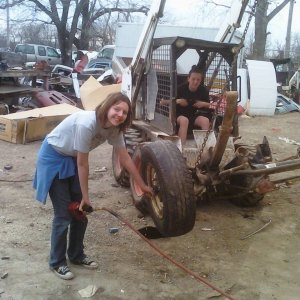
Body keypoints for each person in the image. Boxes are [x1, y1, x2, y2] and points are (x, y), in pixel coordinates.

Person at [33, 92, 153, 280]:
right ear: (107, 106)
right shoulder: (87, 123)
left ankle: (76, 255)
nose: (119, 114)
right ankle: (57, 262)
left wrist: (142, 184)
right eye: (116, 109)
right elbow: (83, 164)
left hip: (71, 157)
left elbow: (125, 158)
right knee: (64, 214)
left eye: (124, 112)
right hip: (54, 158)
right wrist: (85, 197)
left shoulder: (115, 129)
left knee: (80, 214)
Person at [160, 65, 212, 145]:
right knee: (184, 120)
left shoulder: (203, 90)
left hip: (193, 115)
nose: (195, 82)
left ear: (201, 80)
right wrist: (177, 101)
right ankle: (182, 149)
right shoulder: (179, 89)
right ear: (188, 79)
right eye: (193, 79)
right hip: (178, 115)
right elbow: (162, 102)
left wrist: (203, 104)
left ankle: (206, 148)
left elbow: (210, 105)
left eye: (198, 80)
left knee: (205, 120)